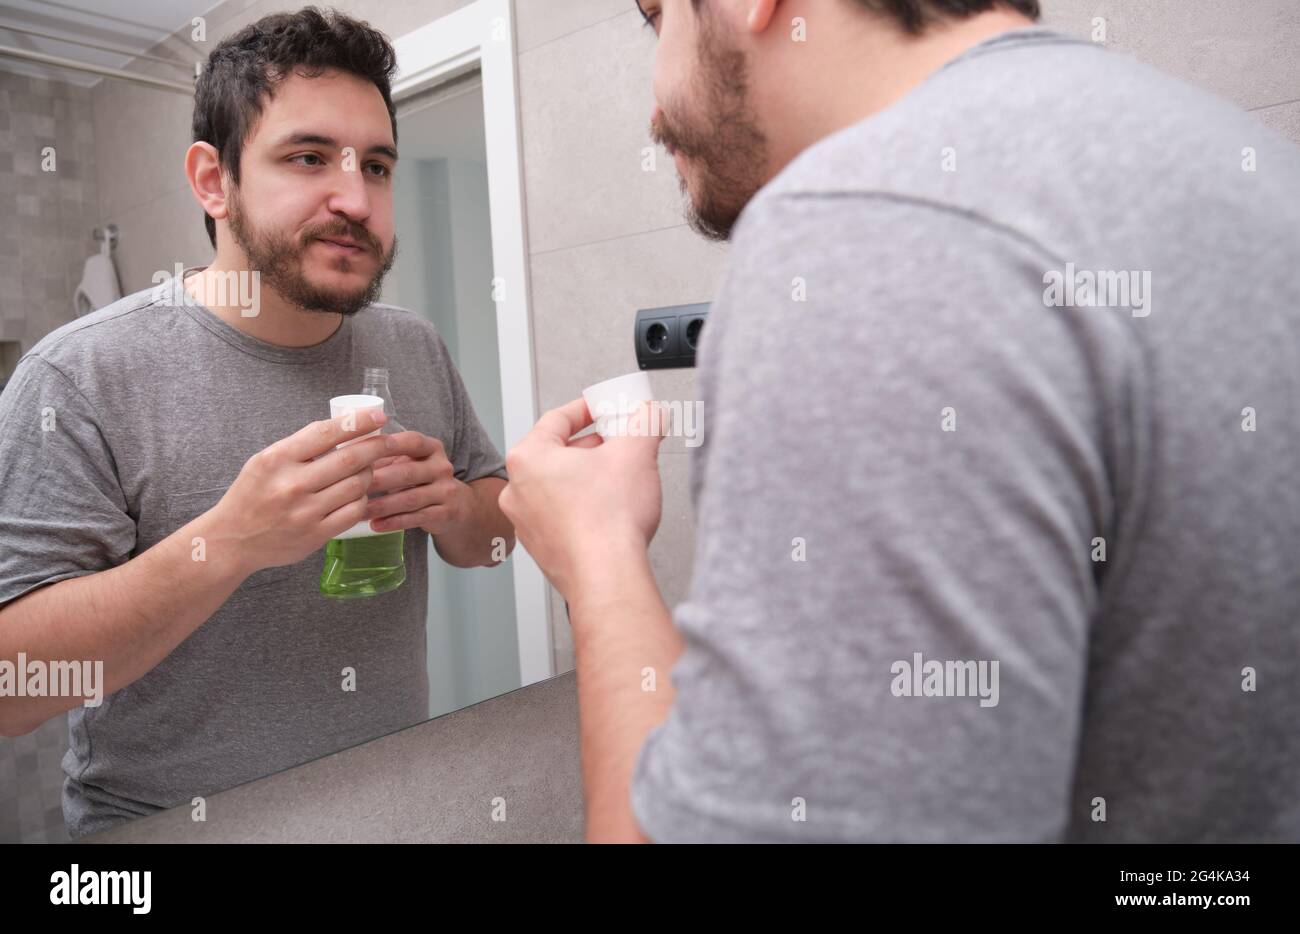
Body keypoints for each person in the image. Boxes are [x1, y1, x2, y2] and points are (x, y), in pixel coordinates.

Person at [500, 0, 1300, 842]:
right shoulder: (1250, 170)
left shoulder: (860, 225)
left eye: (654, 15)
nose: (653, 105)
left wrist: (598, 556)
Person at [0, 8, 514, 837]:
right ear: (213, 180)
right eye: (308, 158)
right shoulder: (80, 376)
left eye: (376, 165)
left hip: (387, 806)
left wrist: (456, 507)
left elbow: (495, 538)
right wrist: (233, 541)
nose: (355, 198)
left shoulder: (411, 345)